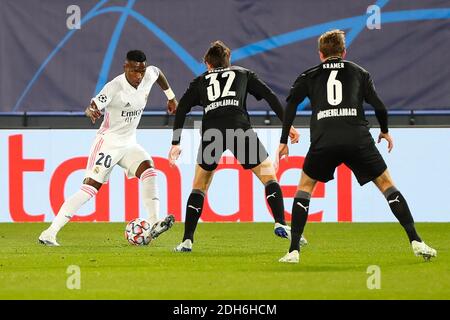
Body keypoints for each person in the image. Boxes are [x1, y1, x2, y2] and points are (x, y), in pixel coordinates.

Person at [277, 30, 437, 263]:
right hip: (357, 138)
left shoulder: (308, 75)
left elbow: (290, 106)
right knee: (386, 184)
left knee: (305, 187)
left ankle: (293, 251)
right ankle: (416, 240)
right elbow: (380, 107)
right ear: (344, 52)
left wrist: (283, 141)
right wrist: (384, 130)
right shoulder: (360, 73)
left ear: (320, 54)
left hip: (325, 139)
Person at [168, 40, 307, 252]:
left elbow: (182, 109)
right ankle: (280, 222)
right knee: (269, 177)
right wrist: (287, 126)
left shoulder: (200, 81)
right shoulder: (243, 74)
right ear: (228, 61)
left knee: (199, 186)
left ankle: (187, 240)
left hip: (212, 132)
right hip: (239, 127)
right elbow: (270, 95)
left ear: (207, 64)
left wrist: (176, 142)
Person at [39, 50, 177, 246]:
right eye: (135, 71)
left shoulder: (149, 74)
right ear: (125, 67)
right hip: (108, 144)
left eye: (141, 71)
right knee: (89, 189)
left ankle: (154, 222)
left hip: (129, 143)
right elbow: (93, 105)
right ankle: (50, 232)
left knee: (149, 170)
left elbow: (158, 73)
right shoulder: (114, 87)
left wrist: (171, 98)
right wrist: (92, 111)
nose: (139, 76)